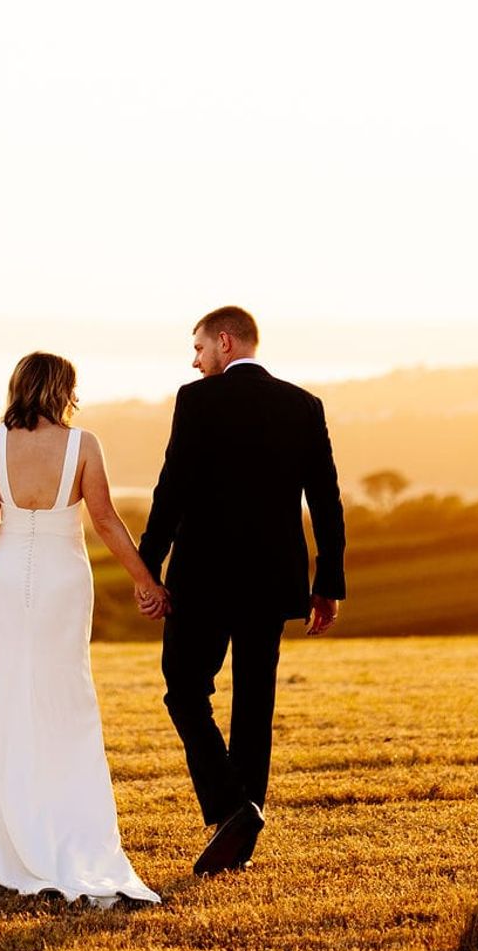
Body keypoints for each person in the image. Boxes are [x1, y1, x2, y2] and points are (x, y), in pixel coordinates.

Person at [0, 351, 163, 906]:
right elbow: (107, 519)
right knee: (66, 699)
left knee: (11, 696)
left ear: (18, 386)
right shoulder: (84, 445)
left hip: (5, 575)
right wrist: (146, 582)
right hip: (66, 579)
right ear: (65, 389)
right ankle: (71, 829)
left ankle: (15, 837)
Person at [137, 305, 346, 877]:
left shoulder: (195, 400)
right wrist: (327, 585)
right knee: (255, 704)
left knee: (184, 690)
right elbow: (325, 502)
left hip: (202, 577)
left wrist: (147, 568)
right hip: (274, 580)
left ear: (224, 342)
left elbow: (170, 491)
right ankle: (241, 835)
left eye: (199, 347)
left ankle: (234, 807)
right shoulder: (304, 405)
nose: (195, 358)